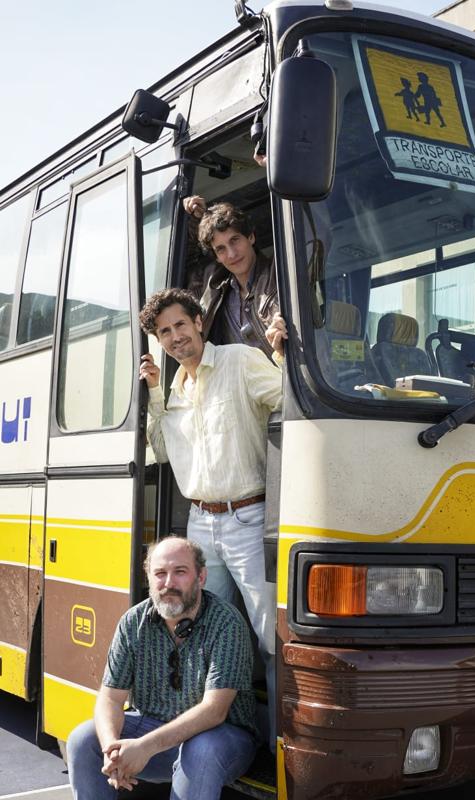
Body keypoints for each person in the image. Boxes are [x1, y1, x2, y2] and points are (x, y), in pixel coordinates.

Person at [138, 287, 282, 748]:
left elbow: (286, 400)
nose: (175, 336)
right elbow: (161, 451)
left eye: (181, 325)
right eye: (165, 332)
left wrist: (281, 354)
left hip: (248, 516)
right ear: (158, 341)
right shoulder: (174, 389)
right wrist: (156, 393)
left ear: (199, 322)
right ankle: (211, 735)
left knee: (269, 639)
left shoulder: (240, 360)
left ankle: (281, 744)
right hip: (200, 524)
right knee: (200, 634)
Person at [66, 536, 257, 800]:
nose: (169, 583)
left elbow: (215, 711)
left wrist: (144, 747)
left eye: (180, 572)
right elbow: (110, 698)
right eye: (160, 574)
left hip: (220, 738)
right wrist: (113, 751)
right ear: (149, 579)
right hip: (153, 731)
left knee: (201, 749)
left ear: (201, 577)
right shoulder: (133, 621)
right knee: (82, 740)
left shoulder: (226, 622)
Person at [183, 198, 279, 358]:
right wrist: (194, 220)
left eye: (234, 240)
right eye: (221, 249)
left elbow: (313, 238)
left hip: (288, 379)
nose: (232, 254)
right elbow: (185, 262)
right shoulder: (213, 289)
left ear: (251, 237)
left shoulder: (279, 273)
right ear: (217, 257)